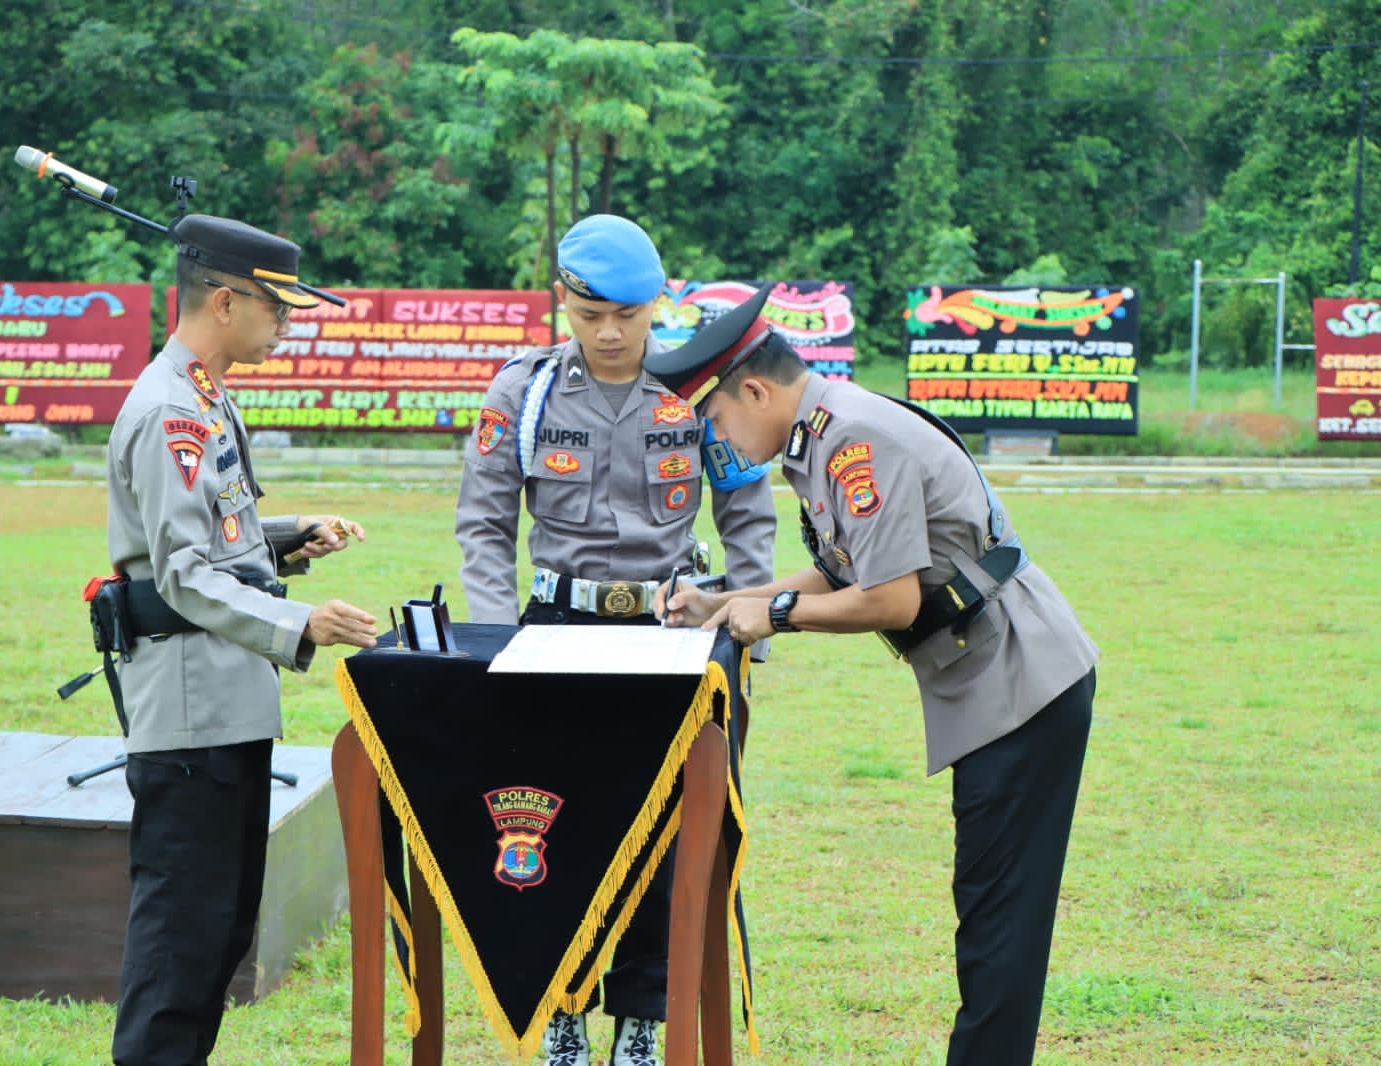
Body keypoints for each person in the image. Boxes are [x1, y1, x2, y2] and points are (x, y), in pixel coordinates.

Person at [645, 285, 1098, 1066]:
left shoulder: (852, 439)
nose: (713, 437)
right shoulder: (821, 434)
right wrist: (724, 602)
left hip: (1021, 685)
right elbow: (842, 570)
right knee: (991, 912)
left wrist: (777, 616)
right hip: (992, 680)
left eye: (713, 418)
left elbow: (887, 598)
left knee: (998, 923)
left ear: (755, 390)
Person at [455, 214, 777, 1066]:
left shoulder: (698, 391)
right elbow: (483, 527)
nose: (609, 333)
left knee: (666, 829)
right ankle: (560, 1009)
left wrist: (746, 626)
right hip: (553, 632)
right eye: (590, 312)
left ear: (656, 308)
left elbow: (748, 515)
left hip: (669, 631)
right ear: (560, 298)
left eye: (629, 316)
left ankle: (644, 1014)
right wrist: (493, 640)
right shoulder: (520, 393)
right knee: (552, 825)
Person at [105, 213, 378, 1066]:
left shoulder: (202, 395)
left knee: (217, 935)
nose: (287, 323)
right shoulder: (168, 412)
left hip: (225, 709)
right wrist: (303, 622)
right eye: (277, 307)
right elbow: (182, 575)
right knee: (179, 949)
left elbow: (214, 538)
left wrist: (289, 537)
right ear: (224, 300)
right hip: (192, 717)